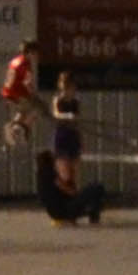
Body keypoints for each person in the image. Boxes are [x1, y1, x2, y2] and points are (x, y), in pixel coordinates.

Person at [46, 76, 87, 213]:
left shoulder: (76, 101)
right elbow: (55, 115)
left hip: (73, 136)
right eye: (64, 88)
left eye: (69, 88)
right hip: (61, 136)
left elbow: (78, 120)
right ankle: (63, 201)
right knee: (64, 173)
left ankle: (74, 203)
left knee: (74, 171)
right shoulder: (57, 100)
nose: (67, 91)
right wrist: (67, 116)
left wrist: (81, 140)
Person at [0, 40, 42, 148]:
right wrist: (33, 95)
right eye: (36, 53)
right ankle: (17, 128)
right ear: (30, 52)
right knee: (36, 109)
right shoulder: (25, 64)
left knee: (23, 112)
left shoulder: (15, 61)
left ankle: (18, 128)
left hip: (8, 91)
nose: (37, 56)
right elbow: (27, 82)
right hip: (16, 92)